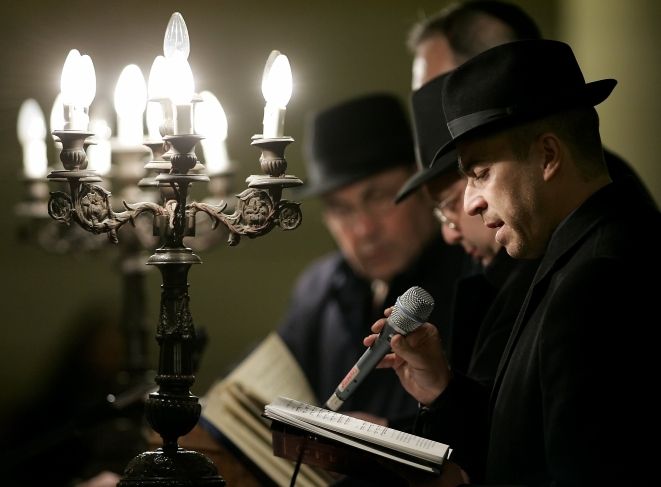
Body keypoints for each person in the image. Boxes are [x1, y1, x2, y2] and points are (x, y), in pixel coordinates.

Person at [371, 39, 660, 486]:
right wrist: (443, 388)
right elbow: (522, 443)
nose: (470, 204)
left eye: (480, 173)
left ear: (548, 156)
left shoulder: (598, 278)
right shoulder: (575, 252)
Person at [276, 93, 468, 426]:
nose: (363, 229)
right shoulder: (317, 287)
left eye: (378, 196)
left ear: (422, 186)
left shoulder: (473, 275)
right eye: (341, 208)